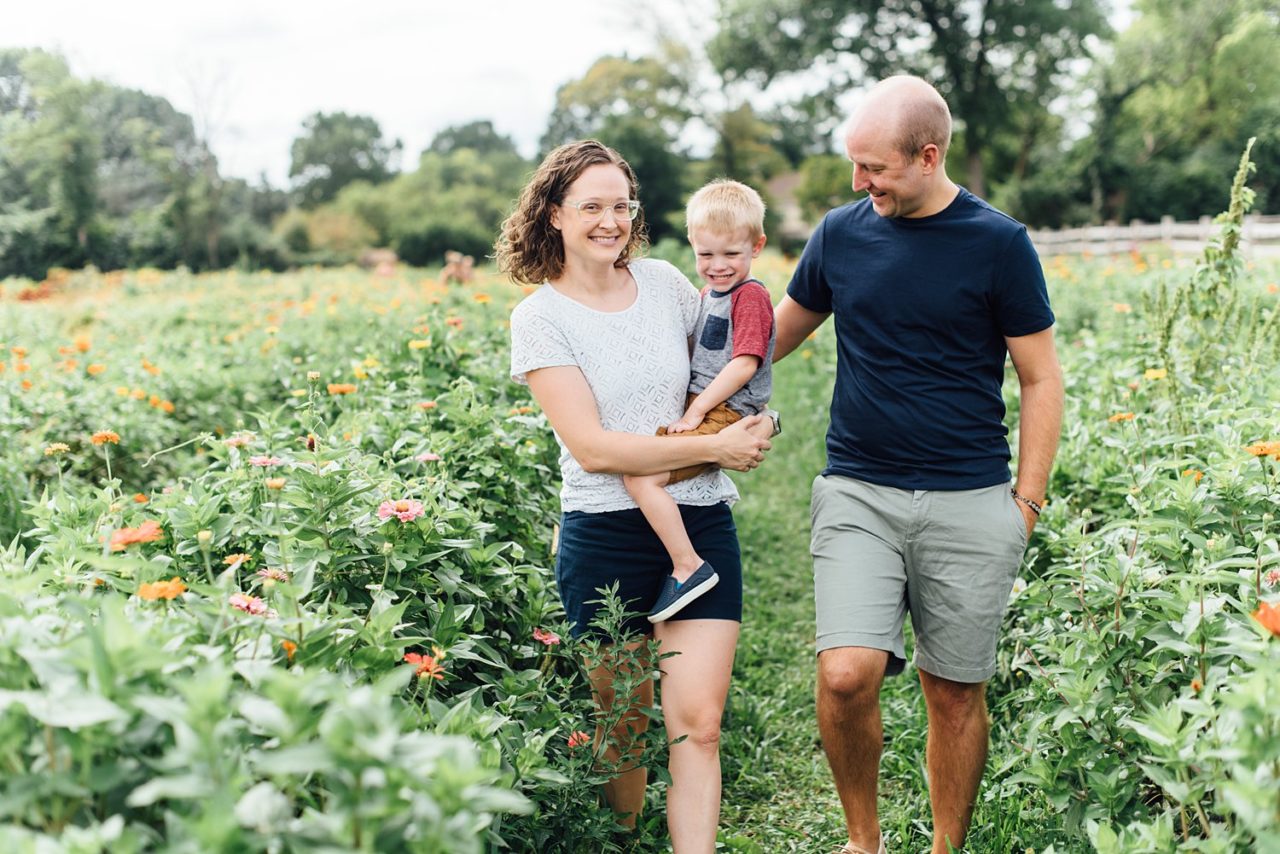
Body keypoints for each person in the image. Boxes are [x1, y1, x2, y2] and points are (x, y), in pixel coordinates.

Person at [771, 76, 1064, 854]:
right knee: (845, 675)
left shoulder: (1000, 243)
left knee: (954, 690)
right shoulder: (840, 233)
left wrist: (1025, 503)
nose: (859, 183)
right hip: (858, 486)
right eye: (855, 166)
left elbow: (1041, 378)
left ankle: (945, 848)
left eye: (874, 168)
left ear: (928, 157)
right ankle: (861, 843)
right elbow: (770, 339)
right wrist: (693, 392)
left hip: (971, 494)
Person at [498, 140, 773, 852]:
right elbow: (593, 448)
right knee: (622, 726)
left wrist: (757, 418)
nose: (610, 220)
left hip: (701, 518)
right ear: (555, 214)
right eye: (592, 206)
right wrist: (711, 446)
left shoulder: (664, 283)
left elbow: (727, 364)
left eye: (621, 205)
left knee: (699, 724)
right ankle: (620, 839)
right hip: (606, 533)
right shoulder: (540, 318)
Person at [623, 179, 776, 623]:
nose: (718, 265)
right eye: (706, 255)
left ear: (757, 245)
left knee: (640, 476)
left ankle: (687, 565)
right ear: (692, 244)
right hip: (708, 403)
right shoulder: (709, 295)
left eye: (731, 254)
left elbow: (744, 364)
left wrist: (694, 410)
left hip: (725, 410)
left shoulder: (751, 297)